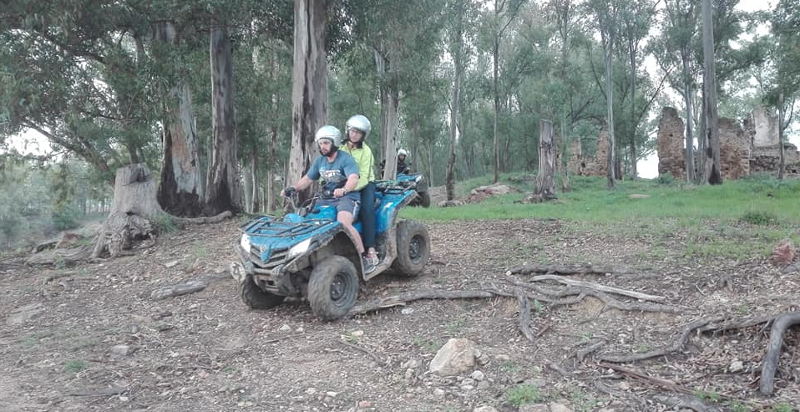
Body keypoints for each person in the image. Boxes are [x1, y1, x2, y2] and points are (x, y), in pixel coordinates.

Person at [282, 125, 374, 273]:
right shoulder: (320, 161)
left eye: (326, 143)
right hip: (326, 197)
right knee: (306, 220)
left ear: (335, 143)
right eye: (320, 143)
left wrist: (344, 189)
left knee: (343, 223)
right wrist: (294, 188)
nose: (322, 146)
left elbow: (353, 178)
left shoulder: (346, 159)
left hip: (347, 196)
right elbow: (307, 179)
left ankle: (364, 257)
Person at [341, 115, 379, 268]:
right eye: (352, 130)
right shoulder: (340, 148)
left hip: (364, 183)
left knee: (366, 209)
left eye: (358, 132)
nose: (354, 134)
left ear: (363, 135)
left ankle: (370, 249)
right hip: (342, 184)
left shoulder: (366, 151)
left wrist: (347, 189)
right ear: (347, 130)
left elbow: (363, 176)